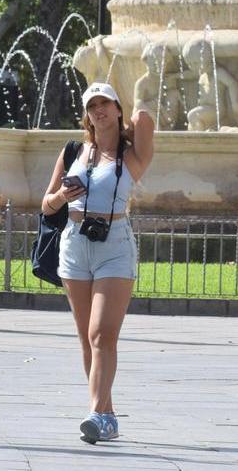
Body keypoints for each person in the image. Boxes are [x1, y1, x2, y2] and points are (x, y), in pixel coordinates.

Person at [41, 82, 154, 443]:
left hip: (114, 244)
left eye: (105, 103)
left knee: (102, 333)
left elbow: (146, 118)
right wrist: (63, 194)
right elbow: (46, 205)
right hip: (74, 244)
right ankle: (106, 414)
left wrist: (130, 115)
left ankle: (95, 413)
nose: (98, 110)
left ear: (118, 109)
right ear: (86, 114)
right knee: (87, 339)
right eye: (92, 105)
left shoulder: (130, 156)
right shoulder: (74, 150)